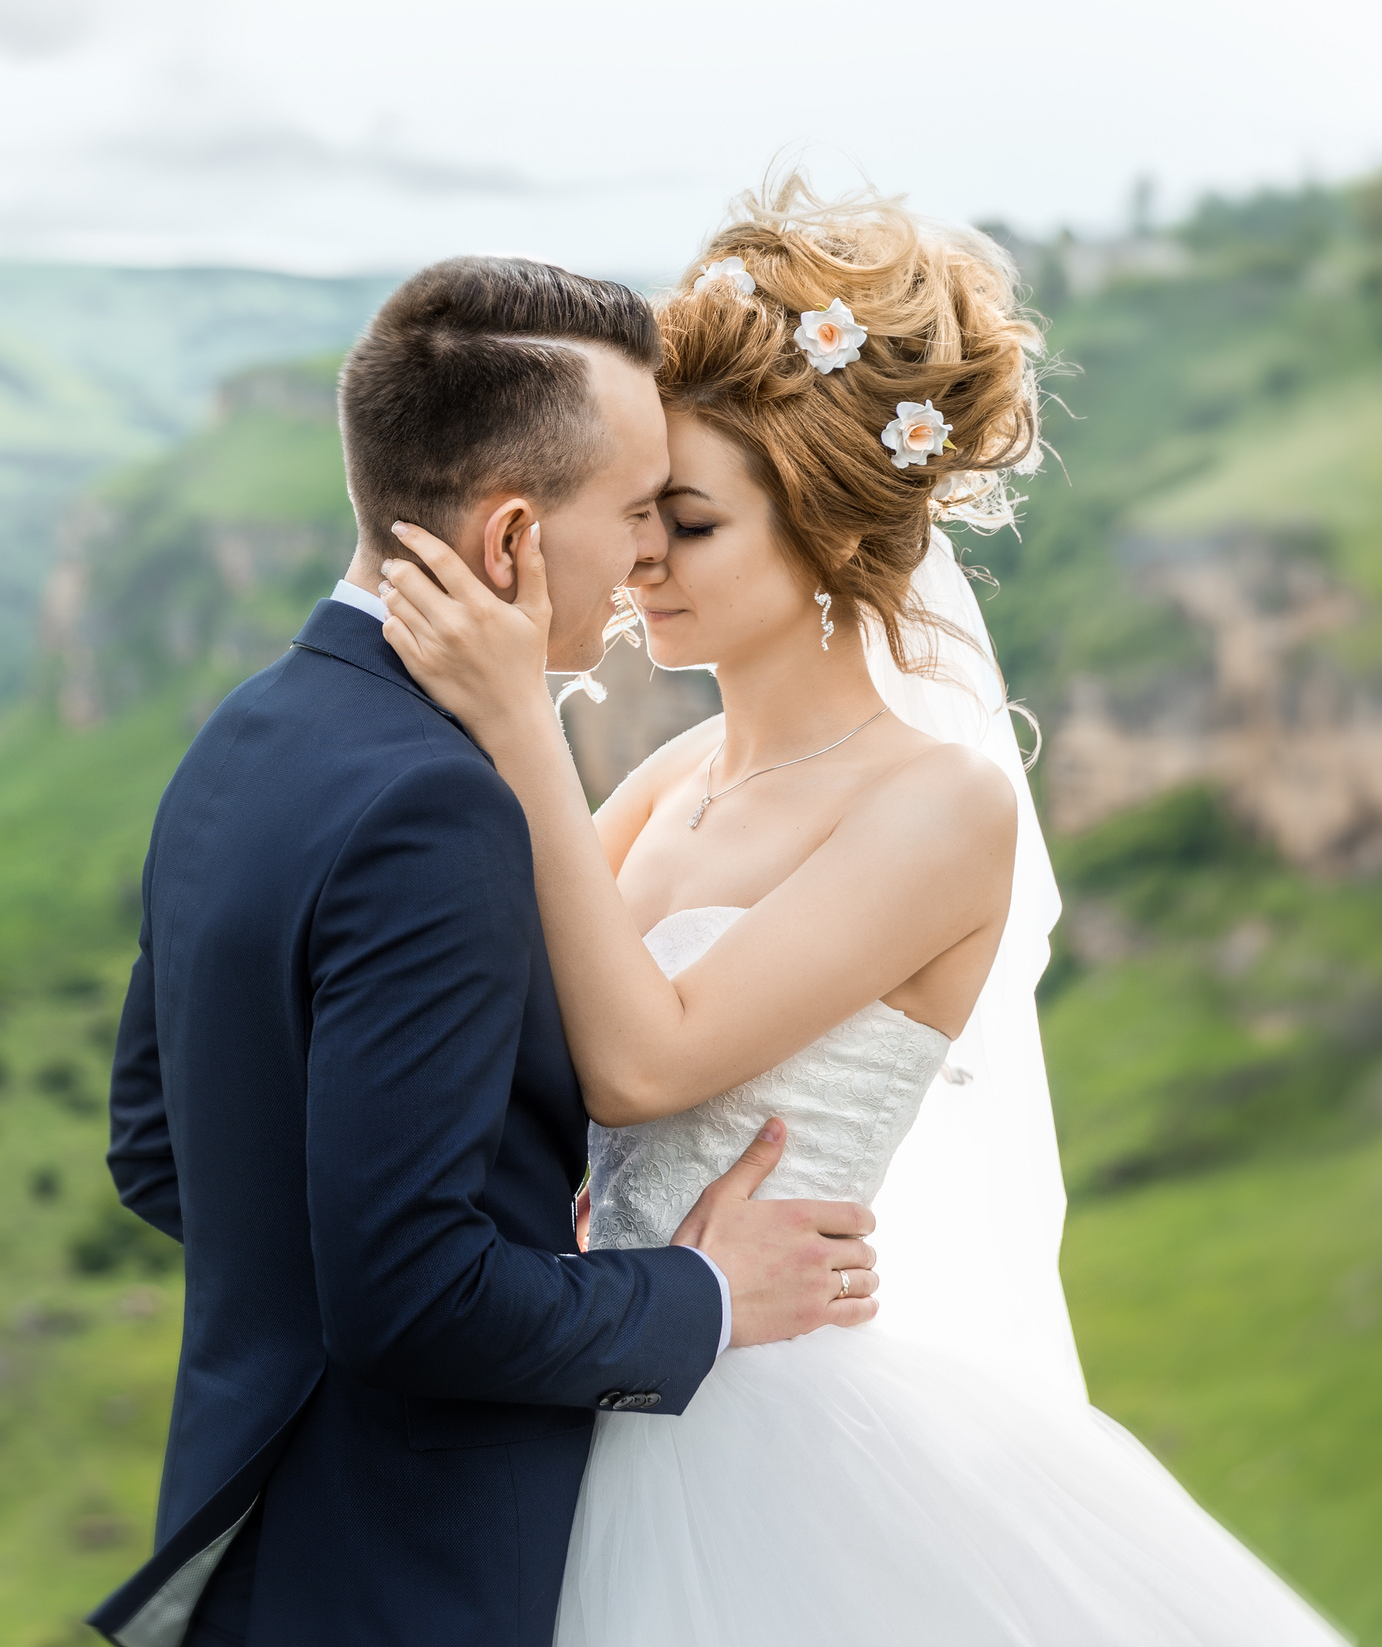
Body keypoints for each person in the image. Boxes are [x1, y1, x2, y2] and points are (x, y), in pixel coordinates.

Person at [377, 179, 1346, 1645]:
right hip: (604, 1388)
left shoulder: (941, 804)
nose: (638, 563)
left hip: (772, 1435)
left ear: (828, 530)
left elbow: (645, 1063)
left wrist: (520, 724)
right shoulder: (665, 778)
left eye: (687, 524)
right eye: (641, 514)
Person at [90, 256, 884, 1647]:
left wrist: (380, 1257)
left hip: (259, 1549)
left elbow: (161, 1149)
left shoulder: (248, 732)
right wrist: (701, 1295)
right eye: (637, 512)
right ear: (514, 538)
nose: (649, 558)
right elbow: (413, 1302)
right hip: (415, 1579)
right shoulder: (439, 807)